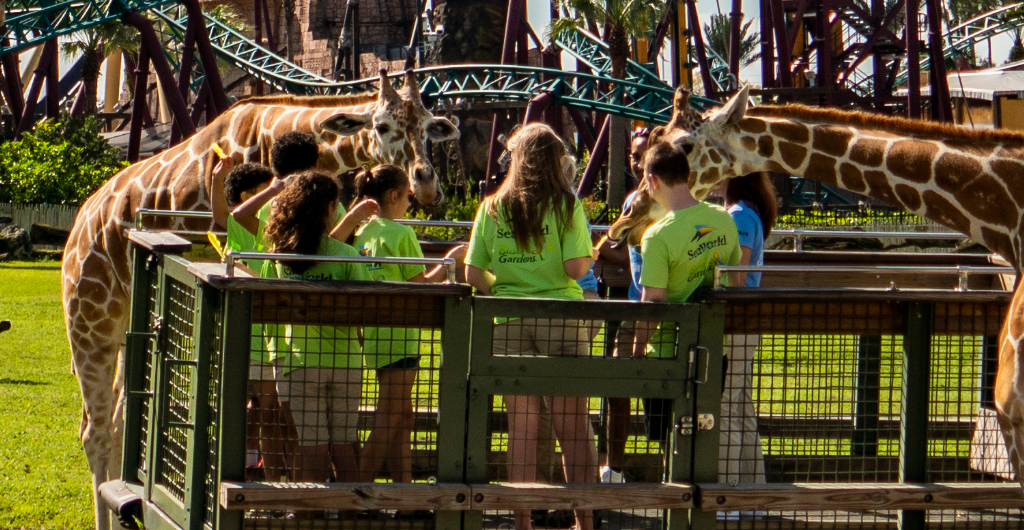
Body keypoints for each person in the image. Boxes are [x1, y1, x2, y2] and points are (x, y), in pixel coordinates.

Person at [465, 123, 598, 530]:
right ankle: (584, 521)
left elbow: (472, 272)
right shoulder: (565, 204)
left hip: (507, 319)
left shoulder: (490, 206)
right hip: (560, 317)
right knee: (571, 425)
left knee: (521, 427)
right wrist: (591, 255)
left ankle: (522, 521)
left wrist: (505, 287)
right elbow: (575, 268)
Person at [351, 165, 466, 490]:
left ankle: (404, 494)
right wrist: (450, 261)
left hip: (376, 336)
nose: (410, 205)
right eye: (408, 197)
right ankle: (355, 493)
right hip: (400, 337)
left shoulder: (364, 233)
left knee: (403, 418)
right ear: (393, 195)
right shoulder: (401, 235)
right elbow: (422, 285)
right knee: (389, 420)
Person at [262, 172, 371, 488]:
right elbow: (367, 309)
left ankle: (309, 515)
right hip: (347, 364)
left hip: (300, 364)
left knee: (311, 446)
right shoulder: (348, 255)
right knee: (343, 446)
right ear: (329, 207)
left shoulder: (279, 256)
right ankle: (352, 515)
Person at [633, 142, 742, 445]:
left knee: (666, 441)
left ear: (652, 179)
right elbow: (737, 280)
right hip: (710, 349)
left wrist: (636, 349)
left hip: (666, 355)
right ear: (687, 174)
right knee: (701, 438)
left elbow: (653, 302)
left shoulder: (657, 235)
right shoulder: (723, 219)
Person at [718, 173, 777, 492]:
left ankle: (726, 493)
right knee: (740, 405)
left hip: (735, 319)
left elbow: (735, 276)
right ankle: (751, 488)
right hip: (745, 321)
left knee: (726, 405)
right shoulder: (749, 211)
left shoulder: (739, 214)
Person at [600, 127, 649, 484]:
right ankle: (613, 468)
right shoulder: (632, 197)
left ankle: (615, 467)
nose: (638, 162)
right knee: (619, 387)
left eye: (644, 154)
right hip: (631, 302)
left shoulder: (645, 200)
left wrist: (595, 247)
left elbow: (614, 246)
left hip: (647, 304)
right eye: (633, 155)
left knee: (623, 384)